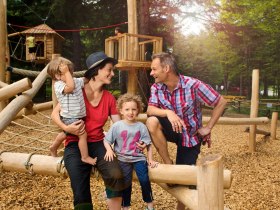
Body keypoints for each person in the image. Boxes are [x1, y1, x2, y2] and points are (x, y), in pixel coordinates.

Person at [145, 52, 227, 210]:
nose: (151, 73)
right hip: (172, 129)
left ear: (166, 68)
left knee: (183, 179)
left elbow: (221, 102)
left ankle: (180, 208)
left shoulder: (193, 85)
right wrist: (168, 113)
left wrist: (208, 127)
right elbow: (150, 109)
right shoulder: (156, 87)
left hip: (190, 136)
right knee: (151, 121)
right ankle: (168, 163)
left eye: (154, 69)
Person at [51, 52, 125, 210]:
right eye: (109, 70)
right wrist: (66, 128)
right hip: (74, 143)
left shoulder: (109, 98)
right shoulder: (76, 90)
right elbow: (54, 114)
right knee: (78, 183)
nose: (112, 73)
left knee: (115, 174)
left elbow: (118, 126)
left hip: (99, 143)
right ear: (96, 70)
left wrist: (131, 141)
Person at [104, 93, 157, 210]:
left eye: (134, 109)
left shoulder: (141, 126)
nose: (130, 112)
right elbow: (107, 140)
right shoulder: (117, 126)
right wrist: (109, 150)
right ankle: (125, 206)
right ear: (121, 111)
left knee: (144, 180)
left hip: (138, 158)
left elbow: (148, 144)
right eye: (127, 109)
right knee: (126, 184)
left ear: (138, 110)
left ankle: (150, 206)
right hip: (122, 159)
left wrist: (150, 159)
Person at [47, 57, 97, 165]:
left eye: (70, 71)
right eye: (66, 72)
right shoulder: (59, 85)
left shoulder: (75, 81)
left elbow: (85, 80)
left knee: (66, 133)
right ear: (57, 76)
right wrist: (66, 73)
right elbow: (70, 87)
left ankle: (53, 147)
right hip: (70, 117)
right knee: (82, 135)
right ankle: (85, 157)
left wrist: (94, 72)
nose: (70, 74)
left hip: (78, 115)